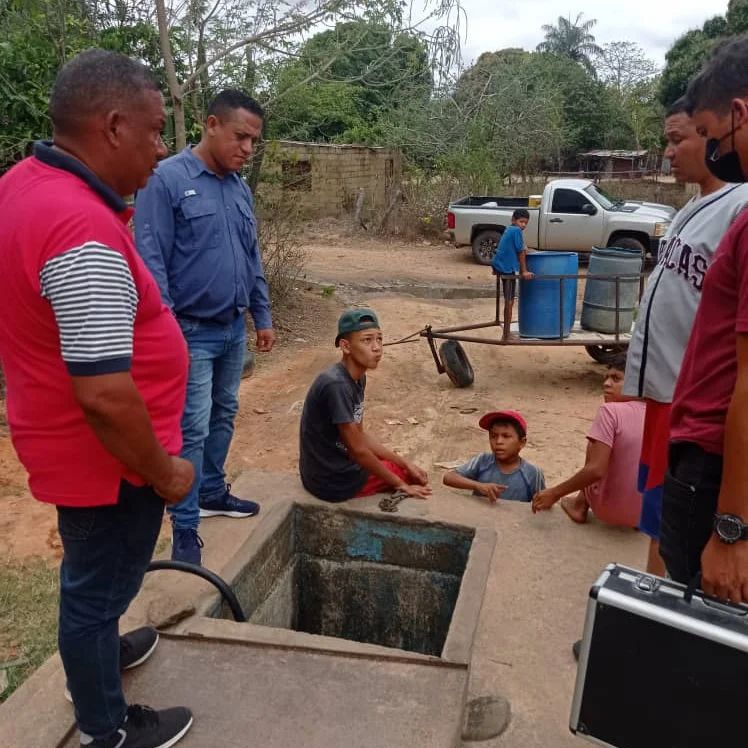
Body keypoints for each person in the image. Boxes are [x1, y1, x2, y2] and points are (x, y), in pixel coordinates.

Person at [0, 50, 194, 748]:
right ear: (113, 126)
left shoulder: (24, 184)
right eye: (155, 129)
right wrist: (164, 472)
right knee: (94, 590)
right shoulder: (78, 230)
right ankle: (104, 730)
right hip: (109, 463)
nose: (162, 148)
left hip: (72, 445)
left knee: (97, 581)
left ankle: (102, 652)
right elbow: (107, 396)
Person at [134, 89, 275, 565]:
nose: (247, 149)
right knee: (190, 428)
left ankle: (213, 491)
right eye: (240, 137)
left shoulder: (238, 188)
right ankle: (185, 526)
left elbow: (251, 257)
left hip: (232, 328)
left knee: (224, 413)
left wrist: (262, 315)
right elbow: (152, 262)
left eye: (254, 141)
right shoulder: (166, 180)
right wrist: (166, 332)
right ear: (210, 125)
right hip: (188, 332)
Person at [623, 98, 748, 575]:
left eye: (679, 140)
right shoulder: (691, 206)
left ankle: (654, 612)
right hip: (664, 396)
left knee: (674, 527)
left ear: (708, 133)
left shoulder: (738, 206)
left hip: (692, 402)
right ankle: (644, 604)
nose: (669, 152)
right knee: (658, 519)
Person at [659, 35, 748, 602]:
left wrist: (731, 528)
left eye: (712, 135)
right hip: (707, 455)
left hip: (715, 467)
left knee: (702, 630)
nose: (716, 152)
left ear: (738, 113)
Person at [299, 308, 431, 502]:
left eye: (379, 339)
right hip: (331, 481)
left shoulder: (358, 377)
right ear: (346, 346)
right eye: (367, 340)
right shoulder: (336, 385)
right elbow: (358, 450)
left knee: (406, 468)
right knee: (410, 478)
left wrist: (405, 462)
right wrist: (401, 485)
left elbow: (359, 435)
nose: (377, 347)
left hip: (333, 466)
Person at [532, 354, 645, 527]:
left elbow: (596, 470)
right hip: (646, 515)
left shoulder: (610, 411)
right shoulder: (658, 414)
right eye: (606, 378)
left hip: (609, 510)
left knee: (597, 443)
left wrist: (554, 493)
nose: (606, 383)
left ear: (635, 384)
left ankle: (580, 505)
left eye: (615, 379)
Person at [443, 410, 545, 503]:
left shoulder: (533, 473)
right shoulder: (483, 461)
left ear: (522, 443)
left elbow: (543, 503)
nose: (498, 441)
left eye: (506, 436)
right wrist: (478, 486)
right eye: (493, 436)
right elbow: (449, 477)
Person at [491, 209, 534, 341]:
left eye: (526, 223)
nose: (523, 225)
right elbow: (520, 252)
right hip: (506, 269)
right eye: (521, 222)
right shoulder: (516, 231)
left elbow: (519, 247)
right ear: (513, 220)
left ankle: (506, 332)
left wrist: (525, 249)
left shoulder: (510, 229)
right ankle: (506, 334)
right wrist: (524, 271)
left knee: (509, 301)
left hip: (499, 265)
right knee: (509, 302)